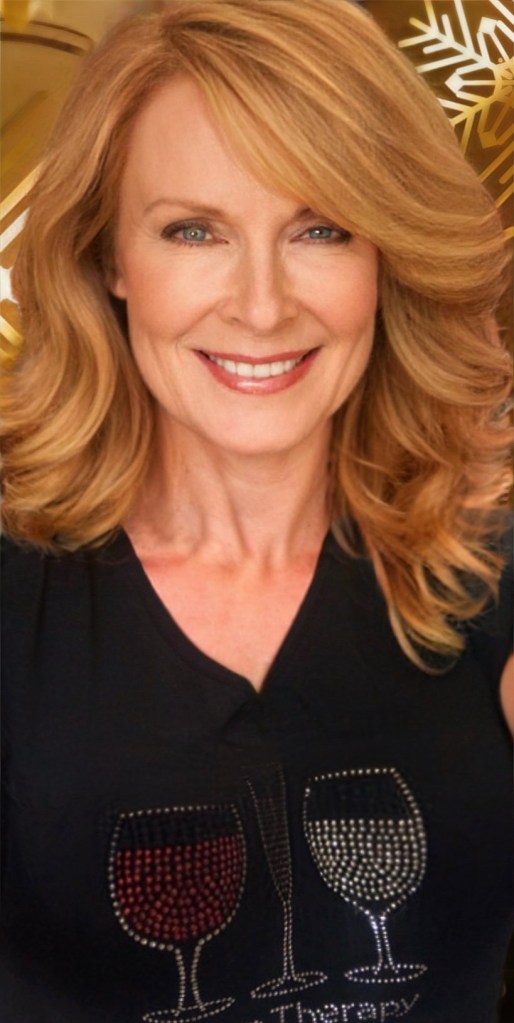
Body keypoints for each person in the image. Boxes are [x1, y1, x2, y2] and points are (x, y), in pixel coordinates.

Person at [1, 1, 512, 1021]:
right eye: (194, 230)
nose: (264, 304)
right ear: (110, 257)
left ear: (385, 255)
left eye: (321, 228)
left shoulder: (490, 554)